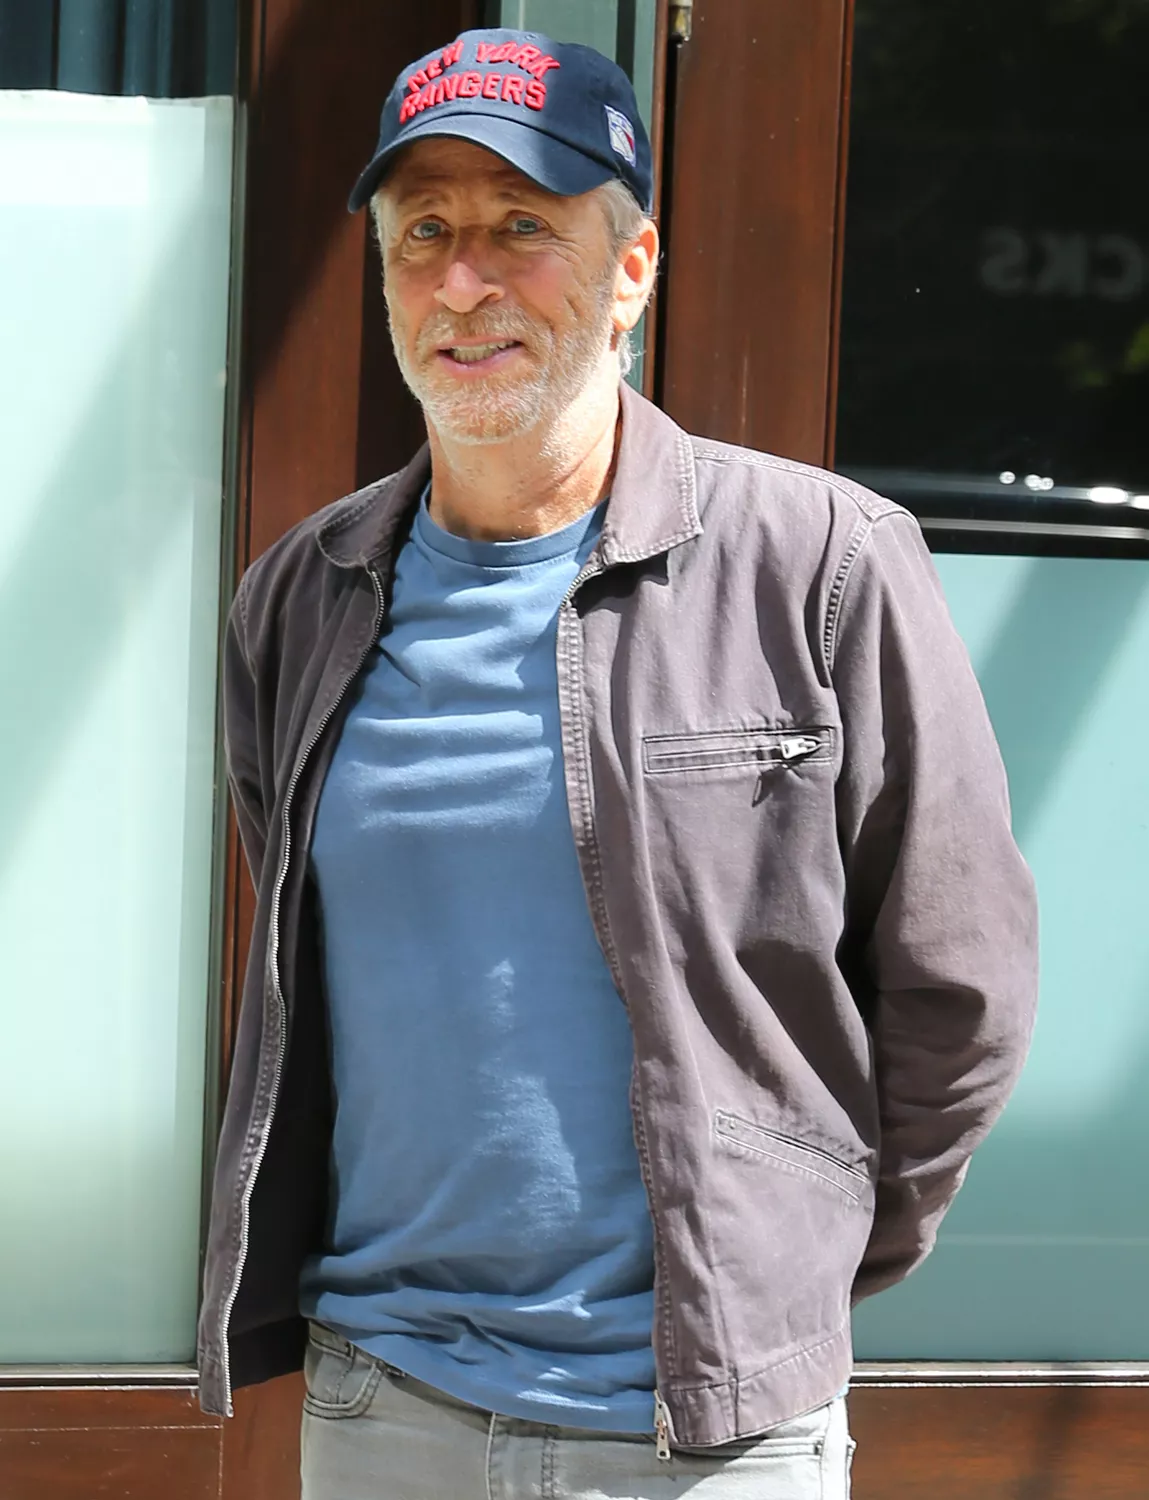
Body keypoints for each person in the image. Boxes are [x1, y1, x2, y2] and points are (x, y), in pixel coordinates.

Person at [196, 26, 1039, 1500]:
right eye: (425, 235)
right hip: (381, 1406)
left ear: (631, 267)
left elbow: (960, 990)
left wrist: (793, 1255)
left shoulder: (822, 564)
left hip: (704, 1435)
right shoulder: (301, 597)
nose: (467, 282)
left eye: (525, 227)